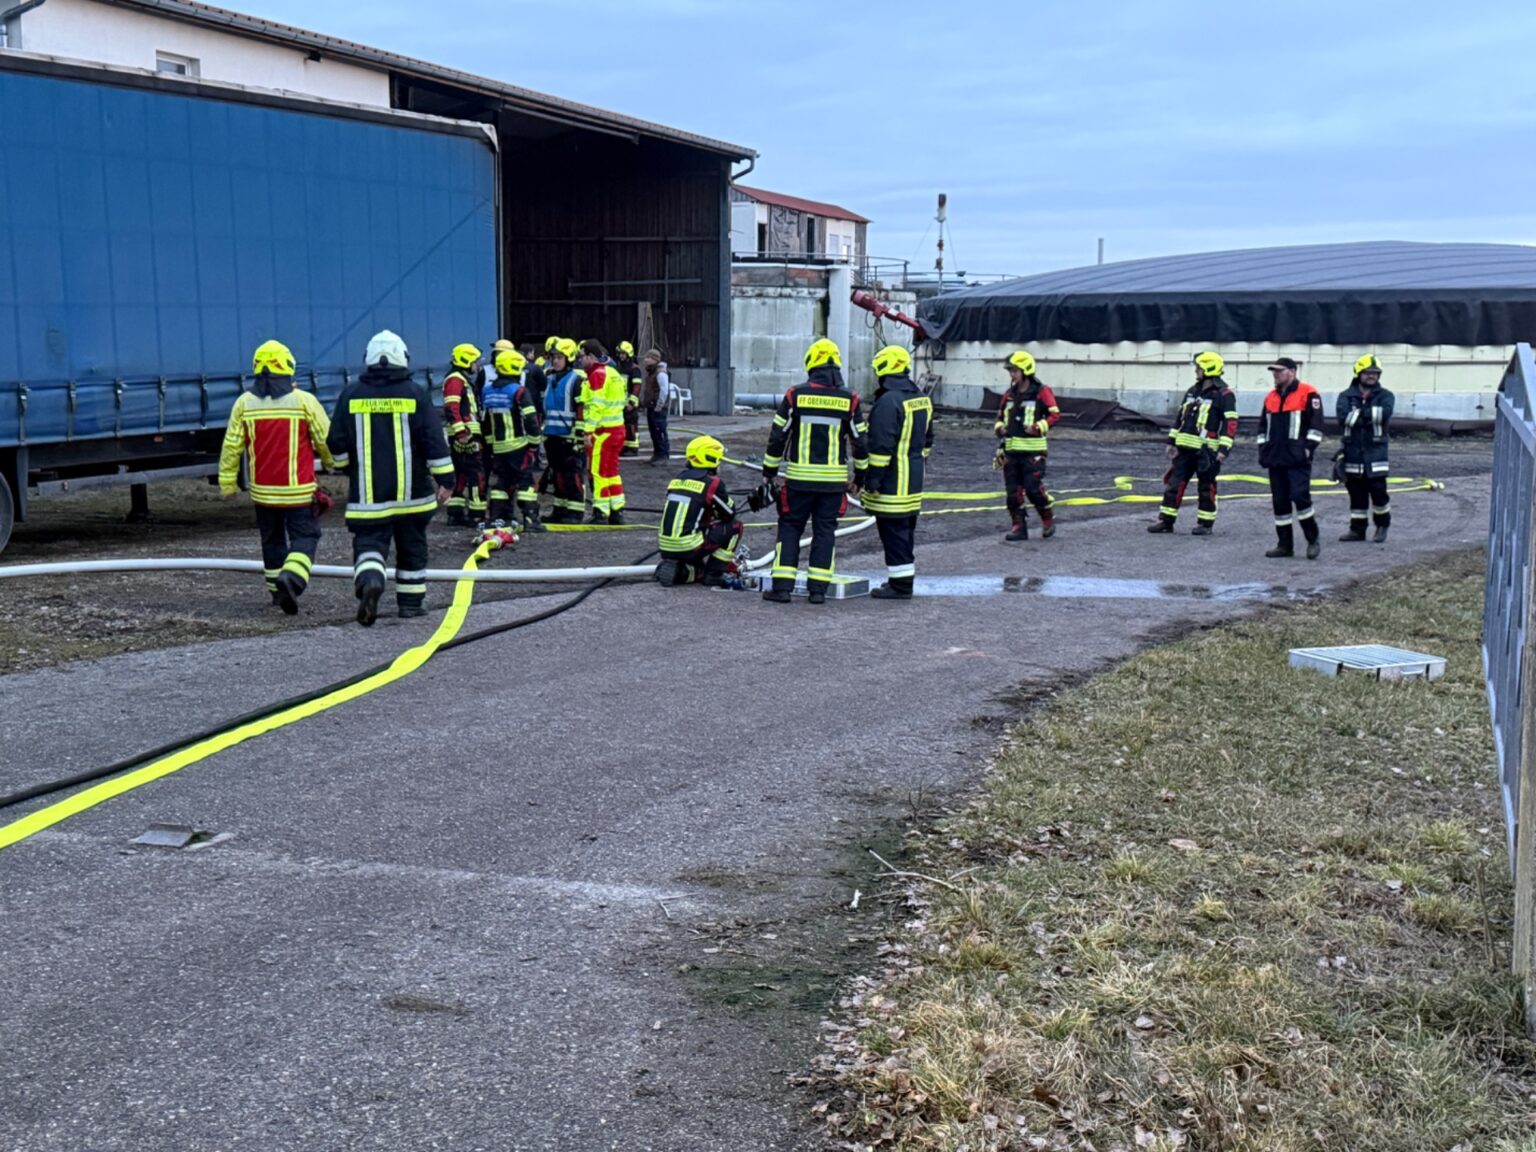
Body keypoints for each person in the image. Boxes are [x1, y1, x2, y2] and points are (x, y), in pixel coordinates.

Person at [326, 330, 455, 625]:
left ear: (368, 359)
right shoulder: (415, 394)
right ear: (403, 358)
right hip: (414, 497)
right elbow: (433, 440)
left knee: (370, 544)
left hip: (369, 499)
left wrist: (347, 465)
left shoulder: (351, 394)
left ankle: (371, 580)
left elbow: (336, 443)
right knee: (412, 549)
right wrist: (446, 479)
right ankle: (410, 604)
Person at [218, 339, 335, 614]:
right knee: (306, 537)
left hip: (262, 492)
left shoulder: (244, 403)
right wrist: (333, 463)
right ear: (289, 367)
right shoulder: (305, 401)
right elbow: (324, 439)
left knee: (271, 541)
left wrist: (227, 483)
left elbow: (231, 446)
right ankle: (292, 579)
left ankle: (275, 593)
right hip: (298, 490)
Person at [761, 337, 868, 605]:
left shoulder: (794, 395)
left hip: (798, 481)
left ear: (811, 364)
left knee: (790, 528)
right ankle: (818, 591)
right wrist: (860, 478)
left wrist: (769, 471)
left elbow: (778, 437)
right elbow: (860, 442)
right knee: (824, 532)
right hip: (833, 484)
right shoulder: (850, 399)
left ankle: (782, 588)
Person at [861, 344, 934, 600]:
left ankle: (901, 586)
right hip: (914, 481)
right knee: (905, 533)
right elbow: (927, 441)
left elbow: (880, 446)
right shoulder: (921, 398)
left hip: (893, 483)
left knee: (894, 535)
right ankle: (901, 580)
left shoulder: (888, 401)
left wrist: (873, 481)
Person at [1148, 350, 1238, 536]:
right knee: (1174, 484)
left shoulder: (1224, 394)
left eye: (1198, 367)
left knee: (1206, 488)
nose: (1196, 371)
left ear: (1208, 368)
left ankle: (1205, 524)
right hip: (1184, 449)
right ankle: (1165, 521)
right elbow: (1180, 417)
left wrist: (1224, 449)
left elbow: (1230, 423)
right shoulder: (1192, 391)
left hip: (1207, 451)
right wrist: (1171, 441)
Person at [655, 435, 753, 587]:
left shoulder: (676, 480)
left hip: (665, 547)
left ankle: (681, 572)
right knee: (735, 527)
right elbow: (729, 513)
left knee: (698, 568)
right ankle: (714, 574)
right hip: (689, 546)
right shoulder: (712, 483)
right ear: (711, 458)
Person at [1258, 356, 1325, 559]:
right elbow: (1263, 427)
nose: (1275, 375)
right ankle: (1284, 545)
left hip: (1297, 458)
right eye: (1274, 371)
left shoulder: (1308, 392)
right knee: (1280, 502)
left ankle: (1312, 539)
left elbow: (1316, 425)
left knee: (1300, 497)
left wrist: (1308, 448)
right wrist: (1263, 450)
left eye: (1279, 371)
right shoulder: (1270, 397)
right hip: (1275, 457)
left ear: (1292, 372)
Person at [994, 350, 1061, 542]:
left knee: (1033, 488)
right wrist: (1000, 429)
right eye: (1010, 371)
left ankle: (1047, 519)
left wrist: (1038, 427)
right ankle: (1018, 527)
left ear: (1025, 370)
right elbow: (999, 417)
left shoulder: (1041, 392)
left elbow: (1055, 415)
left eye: (1014, 371)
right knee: (1012, 493)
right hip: (1011, 451)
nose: (1012, 375)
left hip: (1034, 452)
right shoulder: (1009, 395)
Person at [482, 347, 545, 533]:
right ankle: (530, 519)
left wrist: (490, 445)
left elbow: (485, 421)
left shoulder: (487, 391)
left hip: (498, 448)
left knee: (502, 483)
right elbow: (531, 420)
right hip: (518, 446)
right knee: (526, 483)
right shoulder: (518, 391)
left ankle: (496, 518)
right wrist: (534, 443)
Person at [1336, 354, 1395, 544]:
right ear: (1358, 373)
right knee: (1356, 492)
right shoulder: (1346, 396)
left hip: (1376, 452)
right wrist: (1368, 415)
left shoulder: (1385, 395)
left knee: (1378, 491)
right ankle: (1357, 530)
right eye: (1368, 373)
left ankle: (1382, 525)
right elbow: (1343, 418)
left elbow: (1383, 414)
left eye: (1375, 373)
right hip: (1353, 452)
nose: (1372, 376)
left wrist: (1358, 414)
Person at [578, 339, 628, 524]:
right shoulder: (613, 372)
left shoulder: (597, 375)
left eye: (582, 357)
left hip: (602, 432)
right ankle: (617, 510)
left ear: (591, 356)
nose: (580, 361)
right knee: (612, 472)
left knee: (598, 473)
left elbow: (596, 406)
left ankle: (600, 511)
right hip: (617, 429)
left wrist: (587, 432)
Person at [541, 338, 587, 523]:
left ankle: (575, 511)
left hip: (569, 437)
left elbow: (581, 410)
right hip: (551, 435)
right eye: (554, 357)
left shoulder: (576, 381)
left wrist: (579, 437)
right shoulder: (549, 378)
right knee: (557, 473)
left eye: (559, 357)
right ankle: (559, 510)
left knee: (572, 474)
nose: (555, 361)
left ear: (568, 358)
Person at [442, 342, 486, 527]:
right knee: (476, 474)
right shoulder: (456, 380)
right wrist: (461, 432)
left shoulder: (460, 379)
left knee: (461, 474)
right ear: (466, 360)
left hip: (466, 434)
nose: (477, 365)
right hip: (465, 435)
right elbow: (452, 407)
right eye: (475, 361)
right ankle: (476, 514)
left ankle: (456, 512)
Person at [641, 348, 674, 464]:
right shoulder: (652, 372)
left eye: (648, 358)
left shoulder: (660, 373)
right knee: (654, 431)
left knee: (659, 430)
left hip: (657, 407)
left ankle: (663, 455)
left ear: (655, 359)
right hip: (652, 406)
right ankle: (657, 454)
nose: (645, 360)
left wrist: (659, 405)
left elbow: (664, 390)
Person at [615, 339, 644, 458]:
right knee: (622, 426)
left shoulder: (634, 369)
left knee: (631, 425)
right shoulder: (618, 368)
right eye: (620, 353)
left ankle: (632, 448)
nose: (621, 356)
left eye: (623, 353)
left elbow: (637, 387)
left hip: (629, 403)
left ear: (629, 354)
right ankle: (624, 447)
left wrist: (632, 402)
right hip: (619, 403)